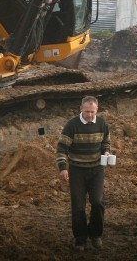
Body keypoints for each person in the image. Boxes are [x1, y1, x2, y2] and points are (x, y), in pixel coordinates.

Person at [56, 95, 111, 251]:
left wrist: (106, 152)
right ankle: (80, 238)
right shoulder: (71, 125)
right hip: (77, 170)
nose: (90, 115)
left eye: (93, 112)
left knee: (97, 202)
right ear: (81, 109)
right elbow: (61, 149)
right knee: (78, 206)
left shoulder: (102, 124)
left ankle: (95, 235)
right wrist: (63, 168)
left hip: (97, 169)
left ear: (97, 110)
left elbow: (106, 142)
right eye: (87, 111)